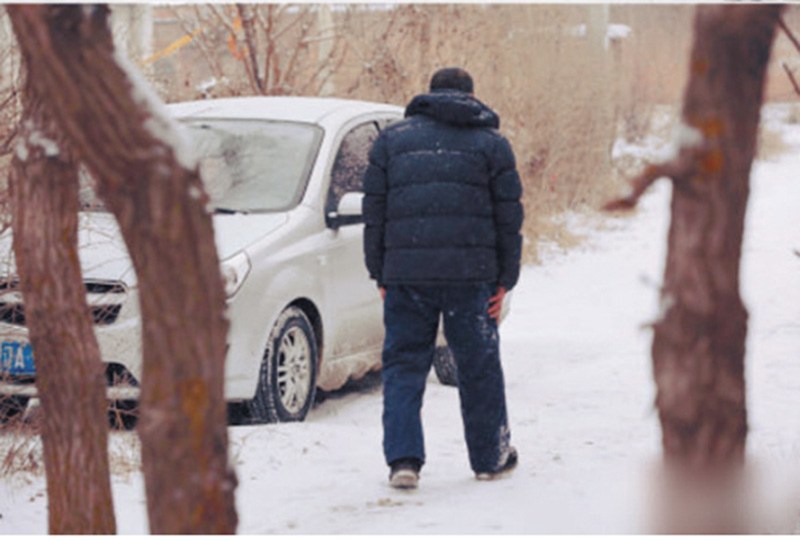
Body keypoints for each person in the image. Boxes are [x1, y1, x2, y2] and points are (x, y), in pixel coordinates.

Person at [362, 67, 524, 489]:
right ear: (471, 96)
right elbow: (509, 218)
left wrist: (379, 271)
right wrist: (506, 278)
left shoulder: (390, 142)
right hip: (472, 279)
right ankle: (490, 458)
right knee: (479, 366)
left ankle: (403, 462)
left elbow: (373, 214)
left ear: (429, 95)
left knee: (402, 367)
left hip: (406, 278)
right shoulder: (492, 145)